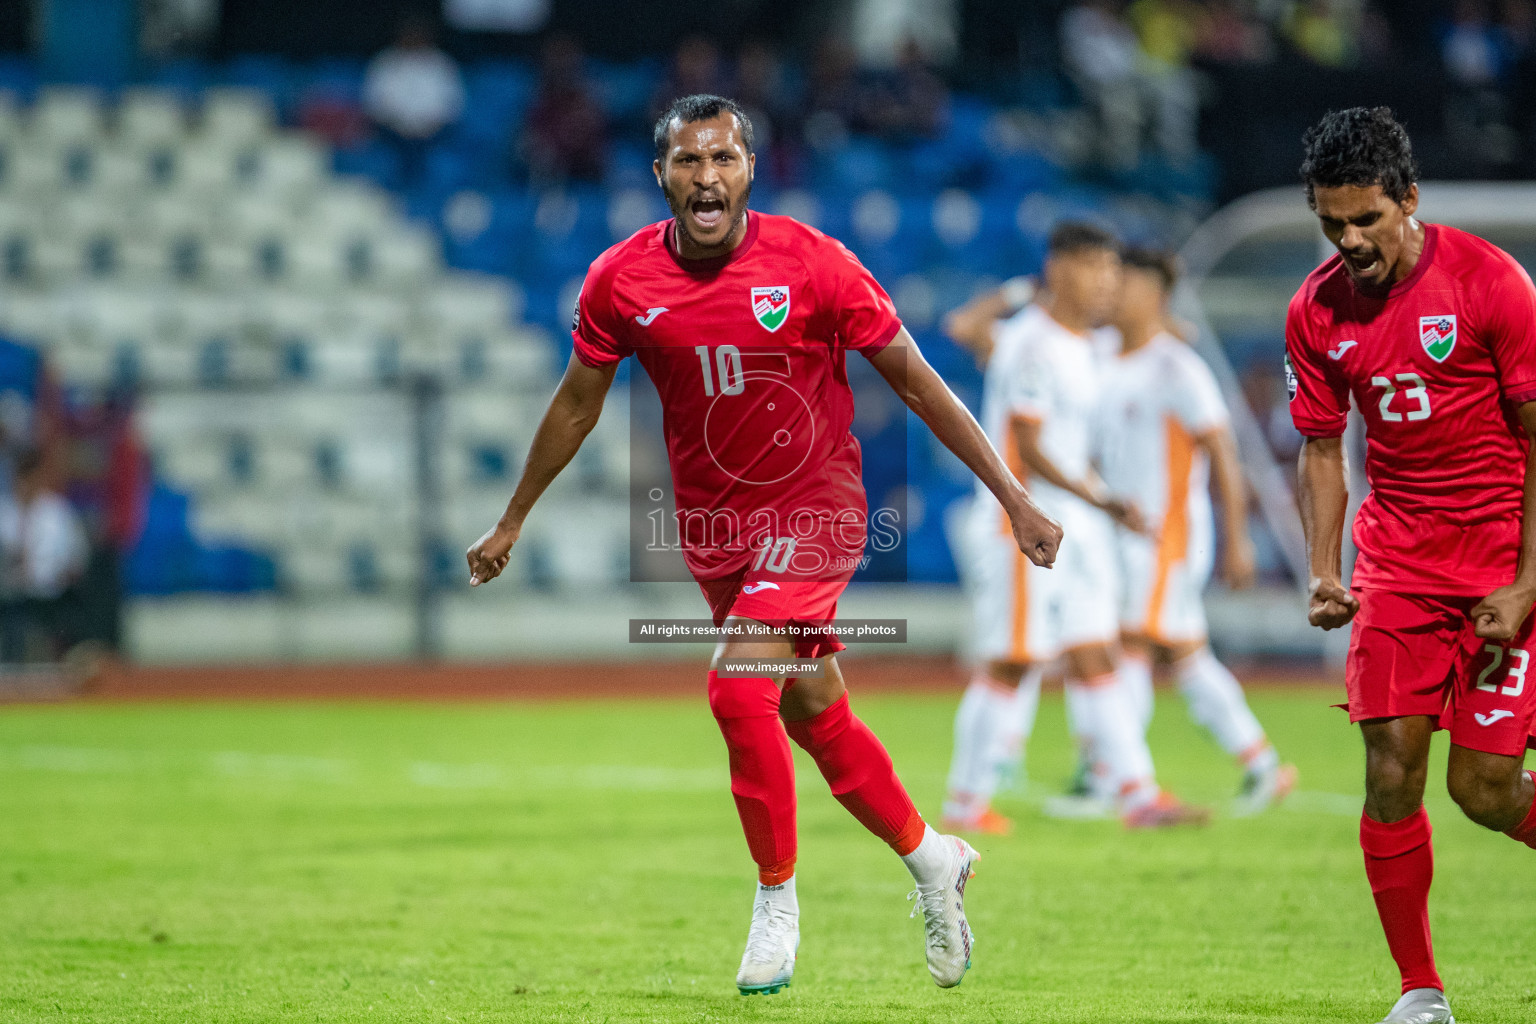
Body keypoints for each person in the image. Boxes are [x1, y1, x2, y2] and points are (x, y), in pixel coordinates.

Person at [466, 94, 1063, 996]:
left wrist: (1012, 496)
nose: (708, 177)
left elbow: (915, 381)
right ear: (660, 172)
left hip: (817, 511)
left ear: (751, 169)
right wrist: (514, 518)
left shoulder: (815, 264)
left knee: (735, 683)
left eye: (725, 159)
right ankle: (933, 857)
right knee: (810, 710)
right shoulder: (618, 280)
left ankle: (776, 900)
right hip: (717, 532)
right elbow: (577, 403)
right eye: (689, 161)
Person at [1287, 106, 1536, 1024]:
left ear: (1409, 200)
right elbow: (1321, 447)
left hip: (1506, 561)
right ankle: (1421, 993)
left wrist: (1525, 584)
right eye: (1330, 224)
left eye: (1365, 220)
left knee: (1482, 789)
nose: (1348, 240)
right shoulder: (1315, 309)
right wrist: (1324, 567)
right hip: (1395, 565)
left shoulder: (1493, 284)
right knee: (1390, 765)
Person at [940, 224, 1209, 833]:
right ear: (1060, 270)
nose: (1108, 283)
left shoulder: (1086, 346)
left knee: (1096, 654)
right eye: (1097, 269)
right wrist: (1106, 499)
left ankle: (1138, 795)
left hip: (1074, 526)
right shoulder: (1031, 343)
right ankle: (964, 804)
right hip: (1023, 522)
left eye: (1114, 272)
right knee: (1013, 661)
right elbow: (1029, 447)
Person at [1098, 246, 1296, 815]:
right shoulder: (1109, 356)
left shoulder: (1177, 366)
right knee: (1183, 656)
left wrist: (1237, 538)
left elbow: (1223, 451)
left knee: (1130, 645)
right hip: (1127, 537)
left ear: (1156, 293)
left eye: (1126, 283)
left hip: (1169, 536)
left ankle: (1118, 781)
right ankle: (1260, 763)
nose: (1113, 292)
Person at [0, 448, 89, 662]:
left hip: (50, 595)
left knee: (66, 619)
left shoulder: (57, 512)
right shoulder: (5, 513)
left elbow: (78, 554)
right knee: (14, 622)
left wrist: (69, 571)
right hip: (12, 595)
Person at [362, 15, 465, 186]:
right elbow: (373, 105)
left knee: (436, 159)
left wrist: (429, 127)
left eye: (418, 35)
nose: (413, 39)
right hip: (392, 136)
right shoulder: (384, 63)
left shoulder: (442, 65)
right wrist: (397, 126)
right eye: (409, 35)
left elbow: (453, 106)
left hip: (432, 136)